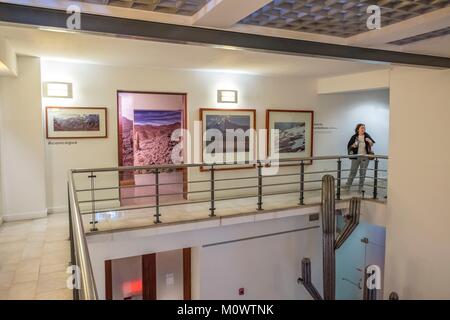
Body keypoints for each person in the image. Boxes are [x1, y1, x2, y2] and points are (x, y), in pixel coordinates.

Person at [345, 123, 375, 192]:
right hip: (356, 157)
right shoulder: (354, 137)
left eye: (364, 128)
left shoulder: (367, 136)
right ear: (358, 129)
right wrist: (353, 145)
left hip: (365, 157)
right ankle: (347, 187)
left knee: (363, 173)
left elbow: (372, 144)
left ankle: (360, 188)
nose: (363, 129)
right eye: (362, 128)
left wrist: (370, 141)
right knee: (353, 172)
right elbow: (349, 146)